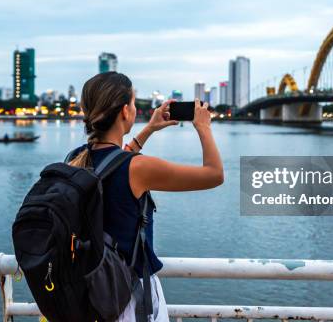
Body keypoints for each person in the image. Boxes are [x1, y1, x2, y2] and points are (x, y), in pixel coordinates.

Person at [67, 71, 224, 322]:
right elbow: (214, 175)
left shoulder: (76, 158)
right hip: (128, 298)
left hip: (89, 293)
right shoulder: (138, 169)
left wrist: (149, 129)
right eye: (132, 102)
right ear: (125, 112)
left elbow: (113, 163)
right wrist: (203, 127)